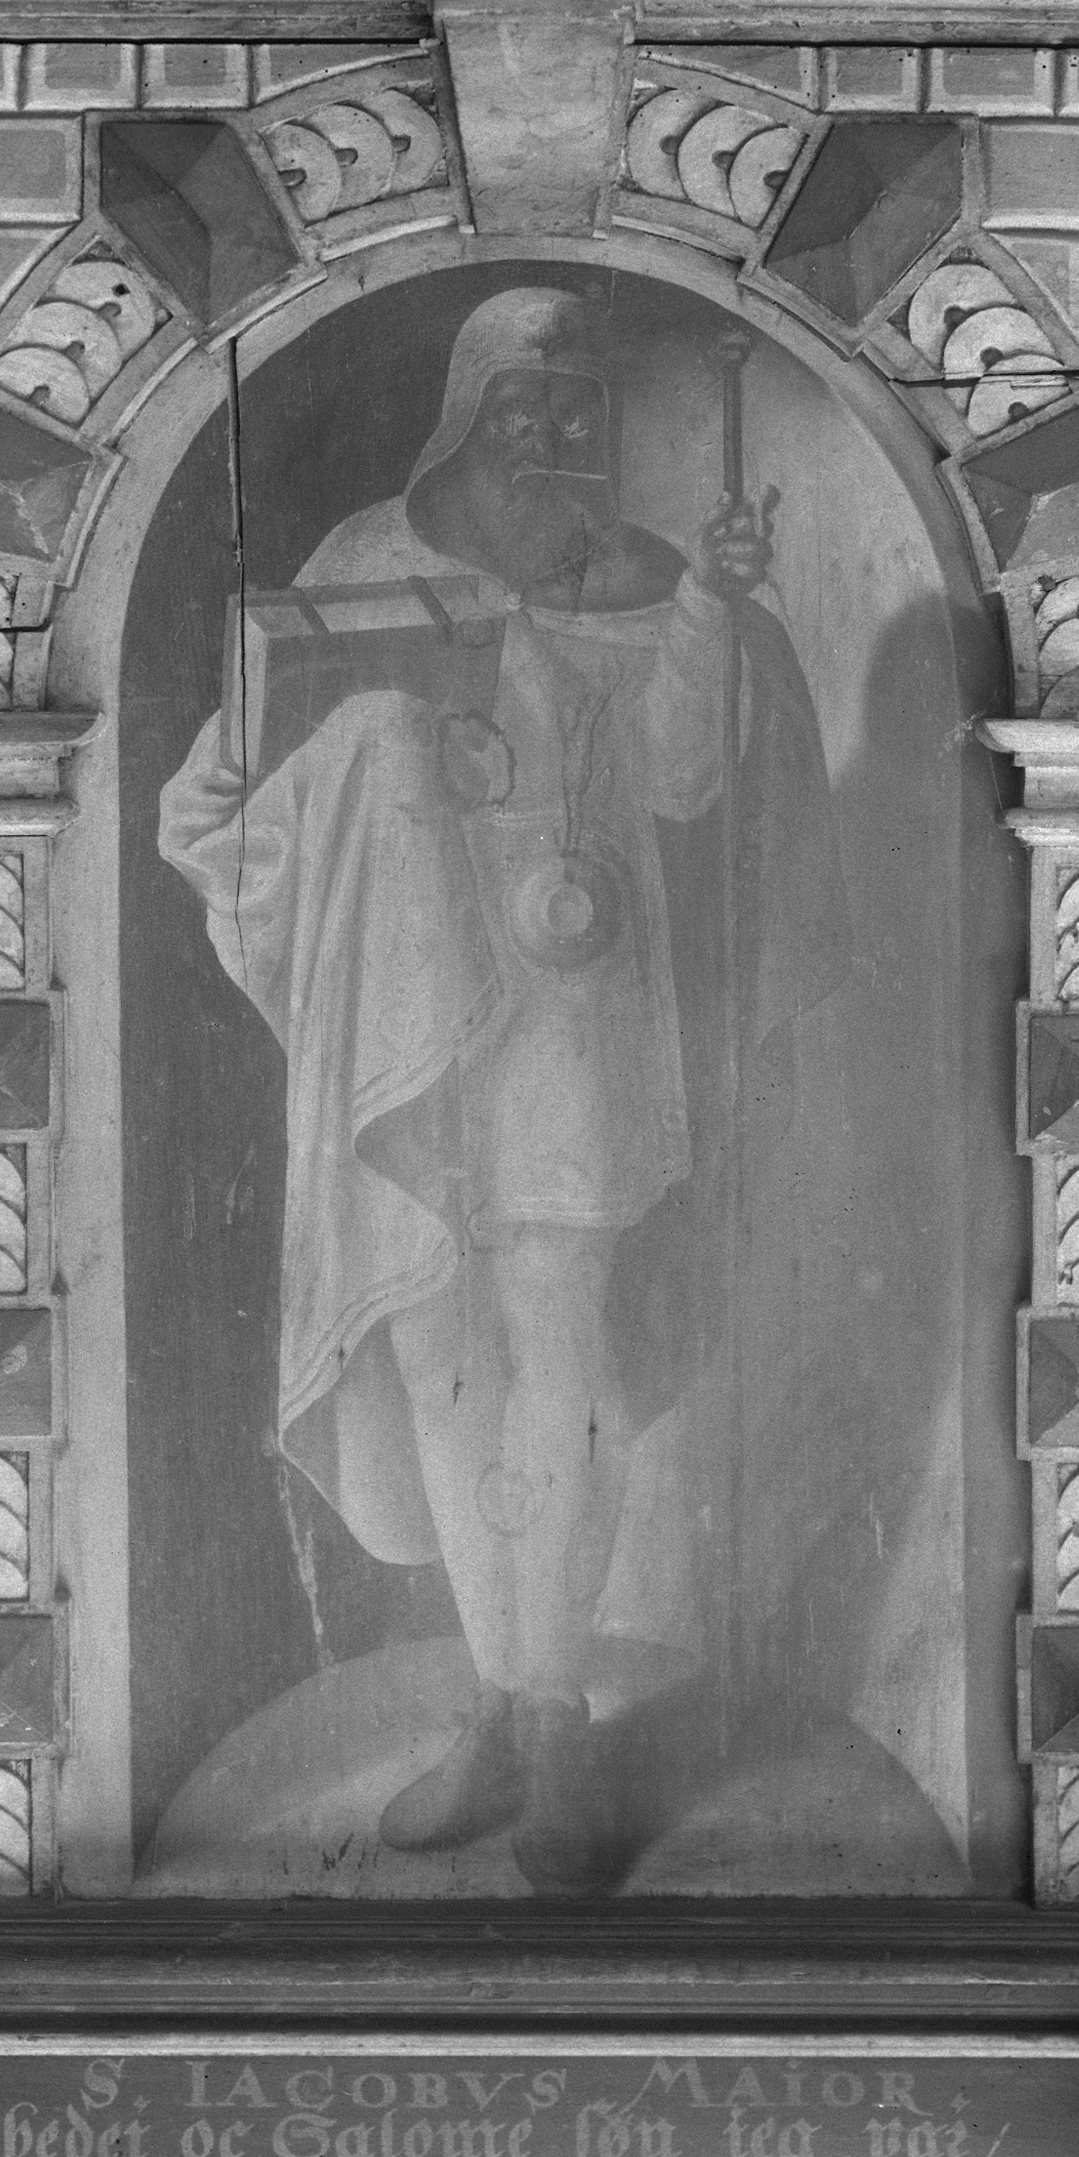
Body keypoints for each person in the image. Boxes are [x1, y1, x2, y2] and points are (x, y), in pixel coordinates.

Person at [155, 284, 842, 1888]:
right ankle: (495, 1696)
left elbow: (680, 774)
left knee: (559, 1341)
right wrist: (369, 759)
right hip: (405, 1039)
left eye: (575, 405)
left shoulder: (643, 575)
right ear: (463, 414)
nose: (550, 433)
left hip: (570, 1017)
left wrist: (708, 609)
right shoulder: (357, 564)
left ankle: (547, 1715)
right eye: (519, 404)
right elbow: (214, 808)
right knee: (436, 1346)